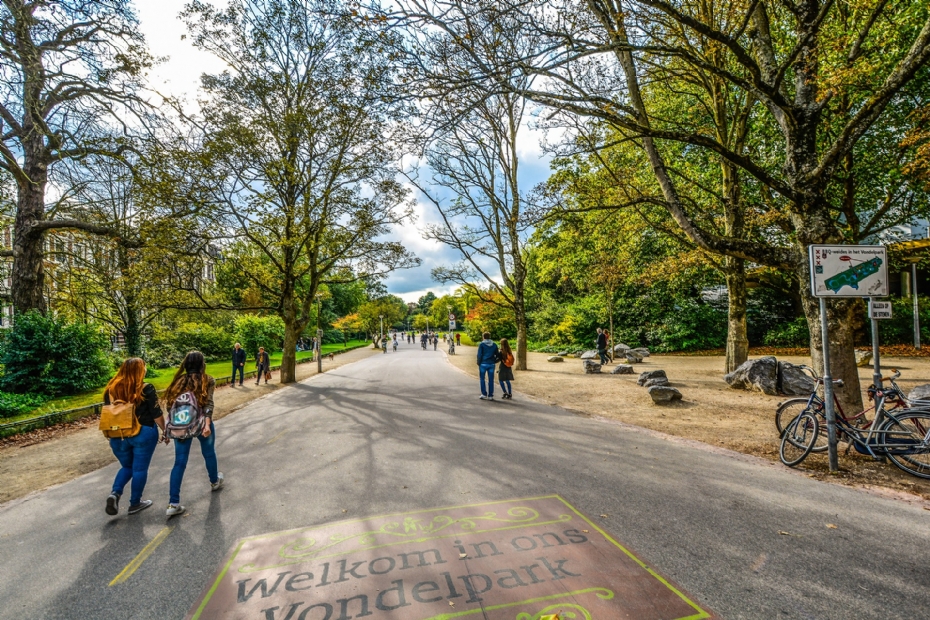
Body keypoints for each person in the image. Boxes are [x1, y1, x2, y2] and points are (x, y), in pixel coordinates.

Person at [163, 351, 223, 518]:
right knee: (209, 453)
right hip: (202, 422)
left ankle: (173, 503)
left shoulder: (178, 381)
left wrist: (170, 428)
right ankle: (214, 481)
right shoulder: (207, 380)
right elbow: (209, 403)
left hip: (182, 425)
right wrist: (208, 422)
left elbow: (170, 407)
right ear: (202, 364)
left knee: (179, 462)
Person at [104, 358, 166, 516]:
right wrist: (165, 430)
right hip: (142, 432)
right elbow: (156, 413)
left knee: (127, 467)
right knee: (139, 468)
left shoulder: (110, 390)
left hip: (118, 435)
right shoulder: (145, 388)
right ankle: (135, 503)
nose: (145, 369)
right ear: (140, 370)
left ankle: (115, 493)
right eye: (144, 367)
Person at [476, 332, 499, 400]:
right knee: (491, 380)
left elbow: (479, 355)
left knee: (482, 379)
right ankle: (490, 395)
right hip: (491, 363)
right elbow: (497, 354)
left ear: (483, 337)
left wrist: (478, 362)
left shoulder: (482, 344)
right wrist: (494, 360)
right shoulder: (494, 344)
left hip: (483, 363)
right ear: (490, 336)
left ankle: (484, 393)